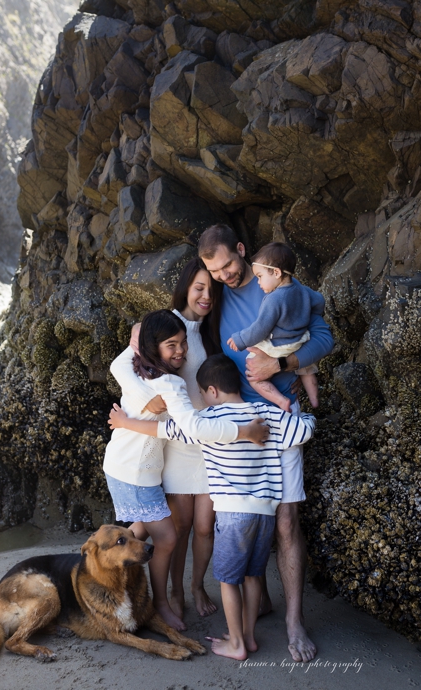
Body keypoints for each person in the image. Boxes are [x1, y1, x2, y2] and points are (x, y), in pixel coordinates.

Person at [110, 354, 314, 660]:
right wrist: (294, 408)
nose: (203, 400)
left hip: (233, 516)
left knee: (228, 581)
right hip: (265, 514)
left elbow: (167, 431)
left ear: (212, 392)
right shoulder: (265, 414)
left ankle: (236, 644)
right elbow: (305, 429)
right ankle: (248, 637)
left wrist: (126, 422)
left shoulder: (209, 421)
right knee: (253, 575)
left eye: (203, 395)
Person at [198, 224, 331, 662]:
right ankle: (262, 600)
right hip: (239, 420)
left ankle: (294, 623)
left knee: (286, 520)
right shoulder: (215, 299)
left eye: (228, 266)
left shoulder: (278, 282)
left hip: (283, 412)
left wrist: (283, 363)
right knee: (245, 516)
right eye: (213, 272)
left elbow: (325, 337)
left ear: (243, 252)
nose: (224, 276)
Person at [104, 309, 264, 630]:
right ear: (152, 346)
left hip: (128, 467)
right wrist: (241, 432)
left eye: (182, 343)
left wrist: (133, 413)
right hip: (134, 472)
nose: (180, 351)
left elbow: (117, 363)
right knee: (166, 538)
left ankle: (101, 576)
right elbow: (193, 428)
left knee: (144, 529)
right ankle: (154, 602)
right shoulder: (171, 385)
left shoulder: (135, 369)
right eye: (171, 345)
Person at [121, 260, 224, 620]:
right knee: (178, 527)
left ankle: (197, 586)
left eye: (212, 288)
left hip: (211, 443)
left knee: (204, 526)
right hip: (178, 442)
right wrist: (144, 400)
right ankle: (175, 591)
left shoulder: (215, 328)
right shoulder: (163, 323)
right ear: (185, 287)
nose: (206, 295)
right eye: (199, 287)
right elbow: (121, 367)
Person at [225, 242, 325, 412]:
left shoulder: (273, 299)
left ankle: (280, 401)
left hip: (280, 345)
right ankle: (314, 399)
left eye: (260, 276)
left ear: (276, 273)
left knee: (252, 373)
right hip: (302, 339)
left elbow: (260, 328)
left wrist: (240, 339)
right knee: (306, 368)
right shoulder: (301, 289)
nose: (258, 282)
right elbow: (319, 301)